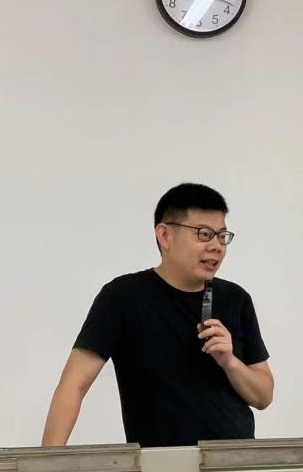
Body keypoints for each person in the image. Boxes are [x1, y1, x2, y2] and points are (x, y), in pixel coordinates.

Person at [41, 183, 273, 447]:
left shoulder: (236, 299)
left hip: (235, 460)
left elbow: (263, 396)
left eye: (222, 236)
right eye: (204, 234)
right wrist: (47, 462)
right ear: (165, 236)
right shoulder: (123, 297)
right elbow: (74, 384)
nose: (216, 246)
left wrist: (230, 362)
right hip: (160, 463)